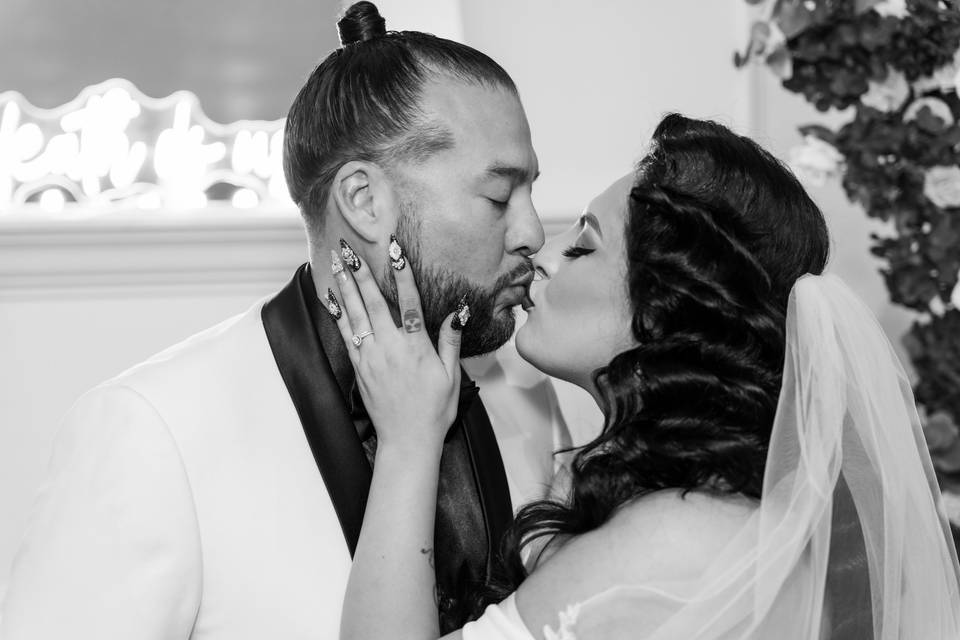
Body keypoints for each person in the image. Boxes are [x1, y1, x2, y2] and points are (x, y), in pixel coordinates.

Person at [0, 3, 569, 639]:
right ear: (363, 201)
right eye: (499, 196)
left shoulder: (524, 392)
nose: (533, 232)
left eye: (531, 194)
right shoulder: (151, 431)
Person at [330, 113, 960, 639]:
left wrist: (409, 440)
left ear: (663, 310)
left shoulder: (680, 534)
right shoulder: (710, 503)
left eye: (583, 246)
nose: (541, 255)